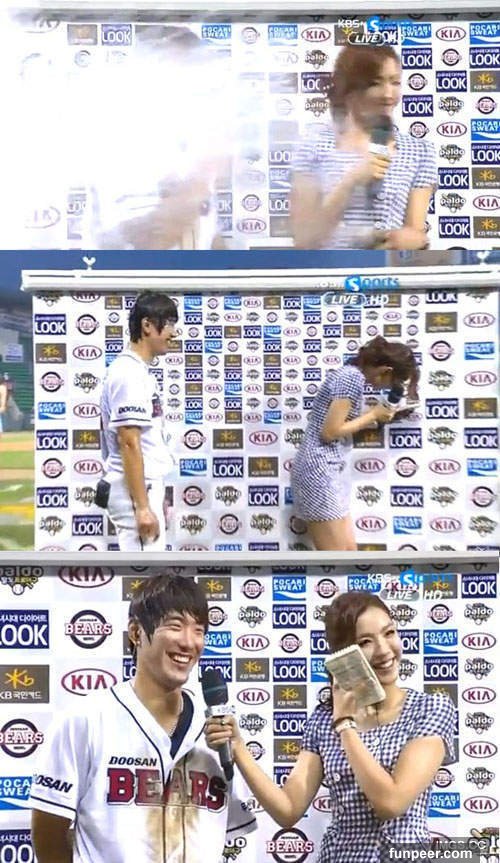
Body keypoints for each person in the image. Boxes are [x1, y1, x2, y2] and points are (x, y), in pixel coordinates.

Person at [206, 589, 456, 863]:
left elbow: (391, 803)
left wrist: (345, 726)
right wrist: (238, 748)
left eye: (389, 633)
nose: (385, 650)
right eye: (365, 642)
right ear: (344, 655)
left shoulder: (430, 709)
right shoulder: (323, 719)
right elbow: (288, 810)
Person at [30, 574, 256, 863]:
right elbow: (48, 830)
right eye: (175, 626)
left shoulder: (218, 731)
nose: (189, 642)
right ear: (136, 633)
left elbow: (229, 828)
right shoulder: (85, 719)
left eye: (198, 630)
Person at [86, 26, 228, 250]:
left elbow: (206, 235)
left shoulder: (195, 143)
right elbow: (147, 241)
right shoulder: (124, 146)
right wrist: (191, 192)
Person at [291, 44, 437, 250]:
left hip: (387, 266)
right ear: (350, 89)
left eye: (395, 82)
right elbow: (304, 239)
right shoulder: (312, 146)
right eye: (376, 83)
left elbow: (415, 232)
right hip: (329, 266)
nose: (388, 94)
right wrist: (351, 181)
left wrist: (411, 240)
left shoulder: (419, 151)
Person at [290, 336, 420, 550]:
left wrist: (377, 417)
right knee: (337, 555)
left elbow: (339, 425)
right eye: (393, 381)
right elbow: (330, 432)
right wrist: (373, 414)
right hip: (318, 471)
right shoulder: (351, 377)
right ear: (385, 370)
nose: (388, 387)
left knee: (350, 552)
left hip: (328, 470)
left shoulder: (350, 375)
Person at [99, 291, 178, 551]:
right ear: (147, 325)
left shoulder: (136, 370)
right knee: (146, 572)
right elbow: (129, 442)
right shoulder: (128, 373)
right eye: (169, 324)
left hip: (141, 488)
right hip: (135, 492)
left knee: (150, 570)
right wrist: (143, 507)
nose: (174, 333)